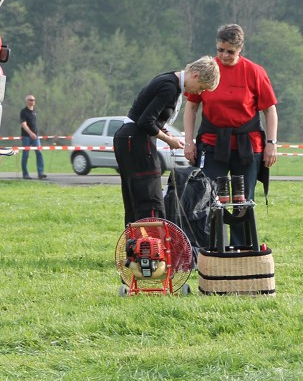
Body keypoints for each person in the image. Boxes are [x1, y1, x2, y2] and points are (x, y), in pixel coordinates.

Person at [183, 23, 278, 248]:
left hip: (248, 145)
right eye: (220, 50)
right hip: (212, 143)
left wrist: (271, 143)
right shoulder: (208, 69)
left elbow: (270, 109)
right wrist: (189, 142)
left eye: (230, 52)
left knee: (242, 200)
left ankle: (242, 248)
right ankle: (209, 247)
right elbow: (191, 107)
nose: (224, 56)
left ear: (240, 50)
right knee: (207, 194)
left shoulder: (254, 71)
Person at [113, 57, 220, 226]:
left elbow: (151, 118)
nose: (199, 93)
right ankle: (150, 247)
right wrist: (168, 140)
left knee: (134, 199)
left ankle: (135, 246)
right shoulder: (169, 87)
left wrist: (166, 132)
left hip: (128, 139)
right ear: (196, 75)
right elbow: (145, 122)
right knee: (150, 198)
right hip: (136, 140)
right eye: (201, 88)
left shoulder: (169, 80)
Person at [20, 93, 46, 179]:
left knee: (39, 152)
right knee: (26, 154)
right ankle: (25, 173)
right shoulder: (23, 112)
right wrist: (30, 133)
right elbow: (24, 124)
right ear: (27, 101)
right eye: (31, 100)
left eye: (34, 100)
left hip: (35, 136)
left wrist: (35, 134)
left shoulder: (34, 111)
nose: (33, 101)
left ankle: (41, 172)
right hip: (26, 136)